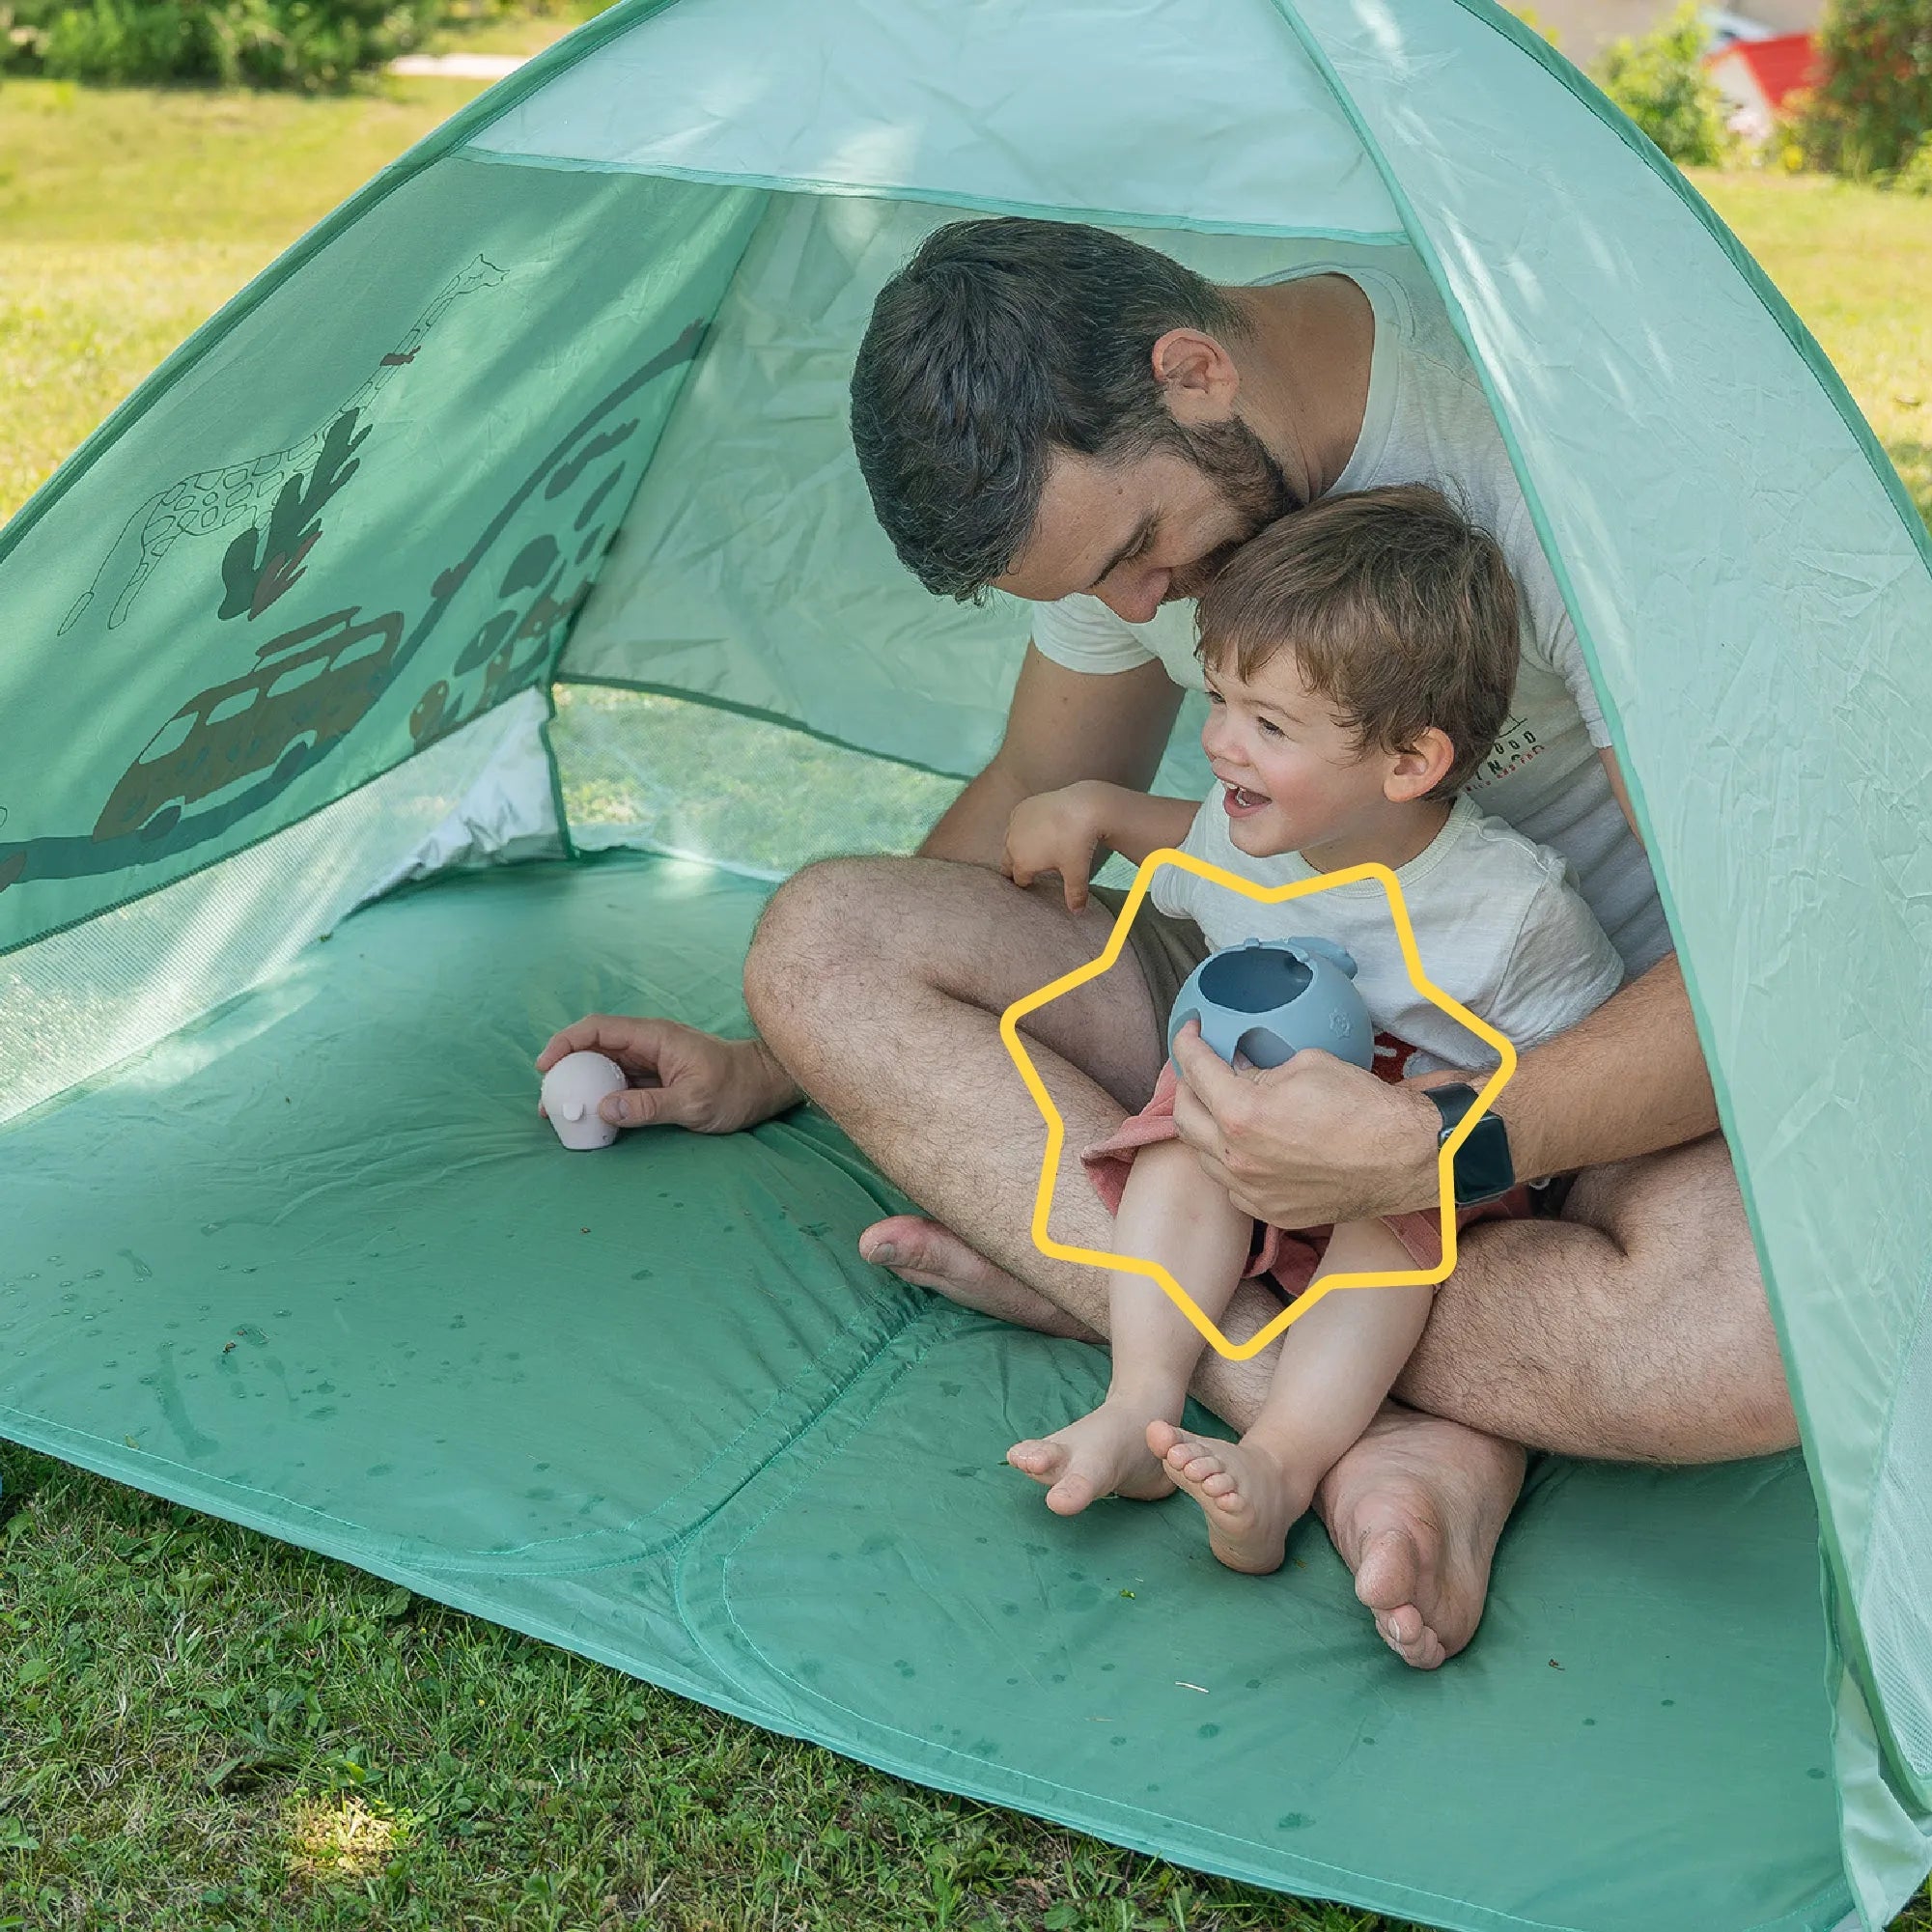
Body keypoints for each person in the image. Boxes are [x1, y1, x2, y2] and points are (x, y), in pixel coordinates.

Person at [536, 216, 1795, 1670]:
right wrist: (774, 1060)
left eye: (1138, 550)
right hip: (1257, 1007)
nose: (1142, 610)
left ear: (1195, 371)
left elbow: (1765, 973)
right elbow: (1031, 791)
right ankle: (1316, 1411)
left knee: (1743, 1337)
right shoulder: (1140, 541)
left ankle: (1136, 1296)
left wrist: (1432, 1150)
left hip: (1584, 1059)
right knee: (823, 940)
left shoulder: (1545, 457)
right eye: (1096, 589)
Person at [997, 487, 1624, 1609]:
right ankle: (1139, 1401)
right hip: (1261, 1130)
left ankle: (1281, 1468)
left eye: (1269, 725)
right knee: (1180, 1143)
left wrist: (1443, 1129)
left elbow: (1586, 1069)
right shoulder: (1258, 835)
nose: (1221, 741)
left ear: (1407, 762)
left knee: (1388, 1239)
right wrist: (1087, 802)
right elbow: (1178, 838)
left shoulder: (1510, 912)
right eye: (1220, 696)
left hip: (1412, 1172)